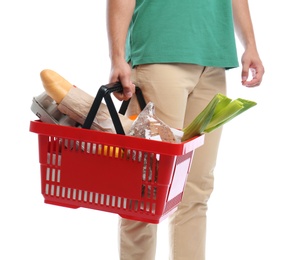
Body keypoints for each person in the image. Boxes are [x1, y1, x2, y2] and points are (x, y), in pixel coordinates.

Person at [106, 0, 264, 259]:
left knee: (196, 189)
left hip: (213, 61)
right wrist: (117, 57)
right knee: (147, 189)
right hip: (159, 58)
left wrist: (251, 45)